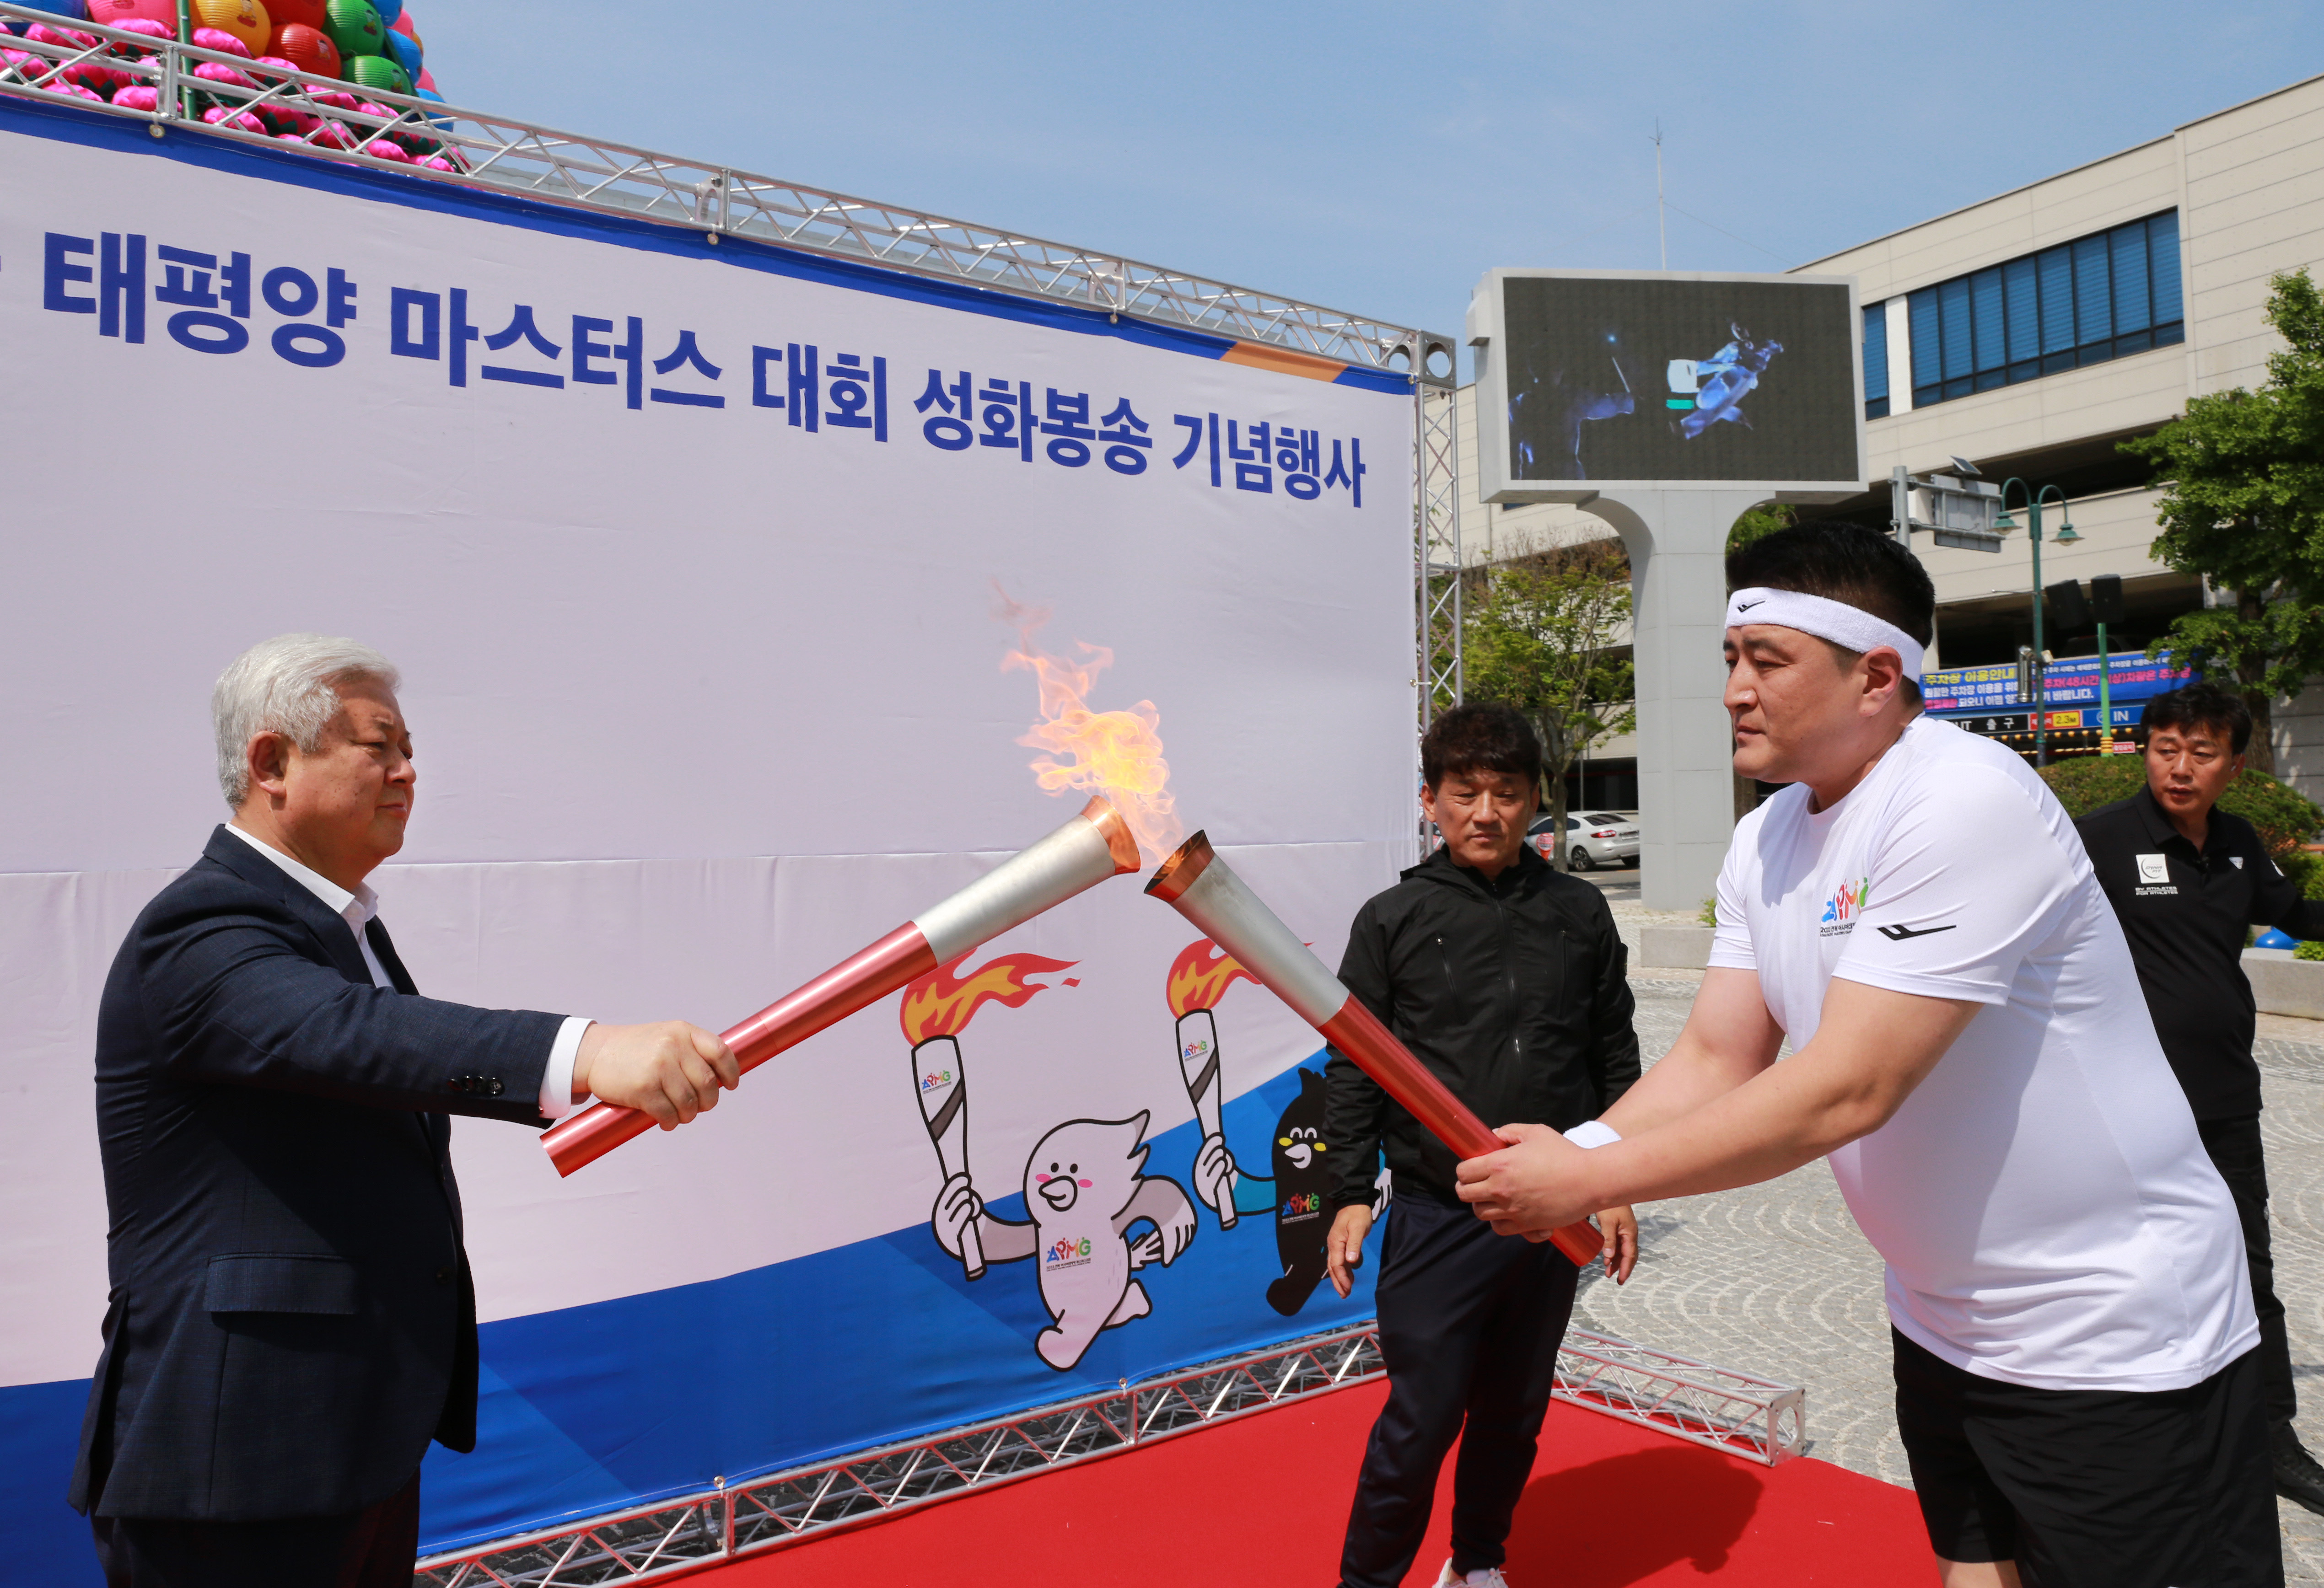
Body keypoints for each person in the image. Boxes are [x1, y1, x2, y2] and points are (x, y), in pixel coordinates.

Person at [1453, 524, 2279, 1588]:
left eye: (1766, 661)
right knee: (1974, 1567)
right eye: (1727, 660)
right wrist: (1585, 1144)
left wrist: (1586, 1178)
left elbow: (1849, 1086)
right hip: (1940, 1317)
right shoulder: (1767, 835)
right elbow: (1717, 1050)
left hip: (2109, 1335)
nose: (1732, 691)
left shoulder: (1960, 796)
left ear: (1876, 675)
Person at [70, 634, 741, 1588]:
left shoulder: (340, 928)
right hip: (235, 1465)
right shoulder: (202, 927)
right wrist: (584, 1052)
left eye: (407, 745)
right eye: (376, 746)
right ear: (271, 763)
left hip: (346, 1442)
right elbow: (354, 1033)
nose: (407, 769)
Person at [1322, 703, 1641, 1588]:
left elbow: (1614, 1053)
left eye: (1507, 793)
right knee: (1420, 1418)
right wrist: (1352, 1189)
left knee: (1514, 1412)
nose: (1486, 813)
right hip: (1437, 1213)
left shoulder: (1579, 913)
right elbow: (1352, 1068)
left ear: (1537, 800)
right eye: (1466, 794)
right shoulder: (1391, 918)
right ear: (1432, 800)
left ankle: (1480, 1564)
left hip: (1548, 1211)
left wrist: (1613, 1179)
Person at [2077, 681, 2324, 1514]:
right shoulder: (2100, 841)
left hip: (2225, 1102)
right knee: (2129, 1270)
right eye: (2165, 748)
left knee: (2249, 1270)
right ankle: (2138, 1439)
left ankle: (2271, 1437)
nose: (2180, 768)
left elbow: (2297, 913)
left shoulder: (2242, 845)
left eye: (2202, 752)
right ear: (2144, 749)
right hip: (2125, 1105)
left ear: (2234, 764)